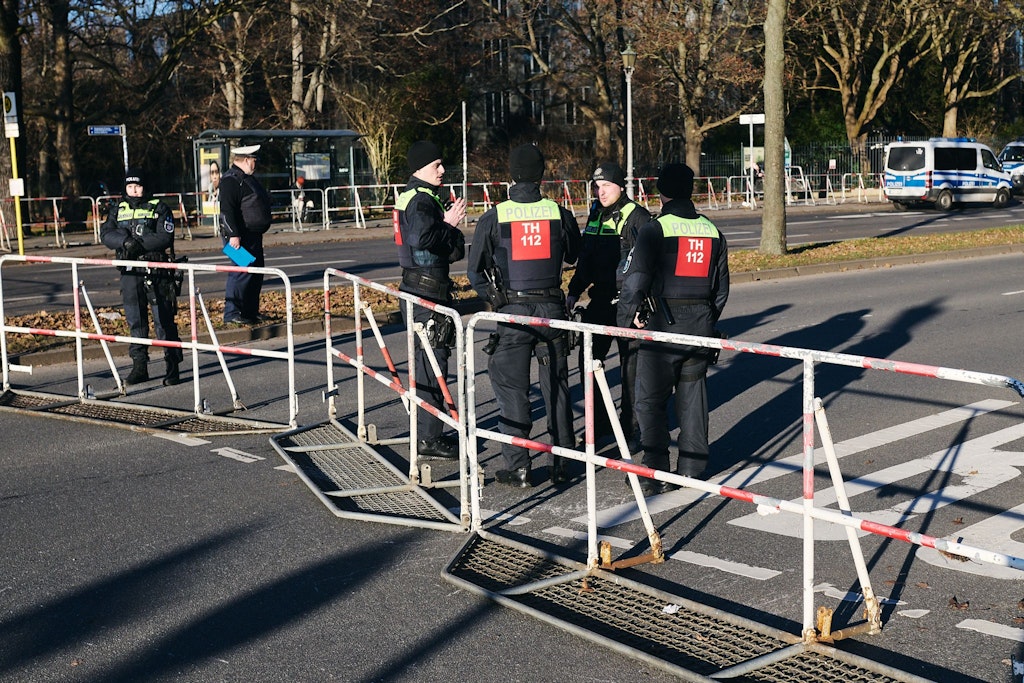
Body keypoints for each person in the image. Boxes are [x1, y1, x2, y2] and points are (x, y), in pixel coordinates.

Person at [468, 143, 582, 487]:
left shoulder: (495, 216)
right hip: (551, 312)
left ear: (511, 175)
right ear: (541, 175)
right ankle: (564, 462)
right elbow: (575, 254)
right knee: (557, 389)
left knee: (511, 389)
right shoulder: (559, 213)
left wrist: (497, 298)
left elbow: (476, 272)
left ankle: (519, 466)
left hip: (513, 313)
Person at [617, 163, 729, 495]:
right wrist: (706, 318)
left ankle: (654, 471)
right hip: (699, 327)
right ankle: (692, 469)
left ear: (661, 192)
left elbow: (635, 282)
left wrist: (626, 321)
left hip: (661, 327)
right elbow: (721, 290)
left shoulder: (655, 229)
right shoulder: (712, 231)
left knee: (650, 400)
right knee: (693, 398)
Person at [566, 162, 651, 448]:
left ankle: (630, 430)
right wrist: (573, 292)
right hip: (600, 300)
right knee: (589, 362)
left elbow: (649, 266)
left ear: (620, 186)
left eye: (607, 186)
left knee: (631, 370)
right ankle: (598, 425)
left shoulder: (638, 217)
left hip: (628, 303)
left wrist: (641, 304)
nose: (601, 192)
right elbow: (585, 260)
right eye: (597, 186)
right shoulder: (595, 215)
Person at [394, 140, 467, 460]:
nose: (442, 170)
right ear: (420, 168)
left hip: (416, 287)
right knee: (432, 366)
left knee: (427, 366)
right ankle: (429, 438)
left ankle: (428, 432)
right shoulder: (422, 200)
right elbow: (423, 238)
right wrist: (449, 225)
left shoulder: (412, 196)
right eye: (436, 165)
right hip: (425, 292)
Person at [100, 168, 183, 386]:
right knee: (135, 320)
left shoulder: (159, 207)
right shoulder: (118, 208)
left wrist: (138, 245)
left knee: (163, 320)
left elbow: (165, 236)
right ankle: (139, 366)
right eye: (130, 186)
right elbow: (106, 233)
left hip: (157, 269)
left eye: (138, 186)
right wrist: (124, 242)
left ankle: (172, 365)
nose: (134, 190)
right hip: (130, 270)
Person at [219, 144, 272, 325]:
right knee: (241, 273)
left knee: (256, 273)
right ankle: (232, 313)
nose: (255, 163)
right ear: (247, 160)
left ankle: (250, 312)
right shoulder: (231, 180)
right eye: (254, 160)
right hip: (237, 237)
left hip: (252, 235)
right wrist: (233, 234)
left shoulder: (246, 178)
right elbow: (227, 210)